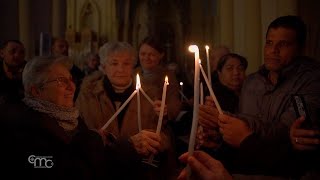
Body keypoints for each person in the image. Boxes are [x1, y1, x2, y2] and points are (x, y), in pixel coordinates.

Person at [198, 15, 320, 178]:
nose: (272, 50)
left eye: (282, 44)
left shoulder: (312, 80)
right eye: (269, 43)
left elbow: (284, 133)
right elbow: (240, 135)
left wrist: (226, 120)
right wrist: (218, 136)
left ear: (300, 48)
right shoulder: (251, 82)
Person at [76, 41, 176, 179]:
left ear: (133, 66)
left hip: (137, 171)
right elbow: (77, 133)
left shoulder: (150, 94)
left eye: (126, 63)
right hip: (98, 170)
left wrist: (157, 136)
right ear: (104, 67)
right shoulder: (88, 95)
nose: (121, 69)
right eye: (114, 63)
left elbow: (164, 135)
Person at [0, 56, 109, 179]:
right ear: (36, 91)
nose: (72, 87)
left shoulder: (71, 118)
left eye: (71, 79)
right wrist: (92, 140)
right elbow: (53, 168)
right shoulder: (21, 128)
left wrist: (125, 147)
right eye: (62, 81)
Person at [135, 36, 182, 122]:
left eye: (151, 54)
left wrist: (165, 110)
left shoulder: (168, 76)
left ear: (161, 55)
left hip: (156, 123)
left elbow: (174, 104)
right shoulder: (132, 73)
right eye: (143, 54)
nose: (146, 58)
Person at [0, 40, 26, 104]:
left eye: (22, 52)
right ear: (2, 53)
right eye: (12, 51)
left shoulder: (30, 70)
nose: (17, 55)